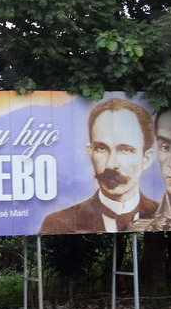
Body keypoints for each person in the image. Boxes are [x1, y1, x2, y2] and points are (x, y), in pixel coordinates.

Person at [39, 97, 158, 234]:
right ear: (90, 153)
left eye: (125, 150)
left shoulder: (163, 217)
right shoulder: (59, 223)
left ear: (146, 159)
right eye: (101, 148)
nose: (111, 164)